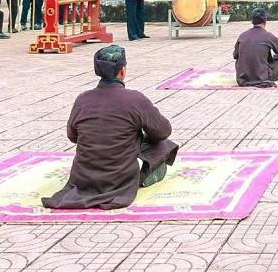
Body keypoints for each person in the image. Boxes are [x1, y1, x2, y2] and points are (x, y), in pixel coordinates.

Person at [42, 46, 178, 210]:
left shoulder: (82, 99)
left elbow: (72, 136)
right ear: (122, 71)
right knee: (162, 144)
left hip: (84, 177)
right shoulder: (135, 99)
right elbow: (164, 131)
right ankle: (144, 176)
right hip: (119, 179)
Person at [233, 7, 278, 87]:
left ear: (252, 21)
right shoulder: (268, 36)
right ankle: (270, 76)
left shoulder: (242, 35)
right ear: (265, 21)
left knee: (240, 60)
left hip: (243, 78)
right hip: (261, 76)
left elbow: (235, 55)